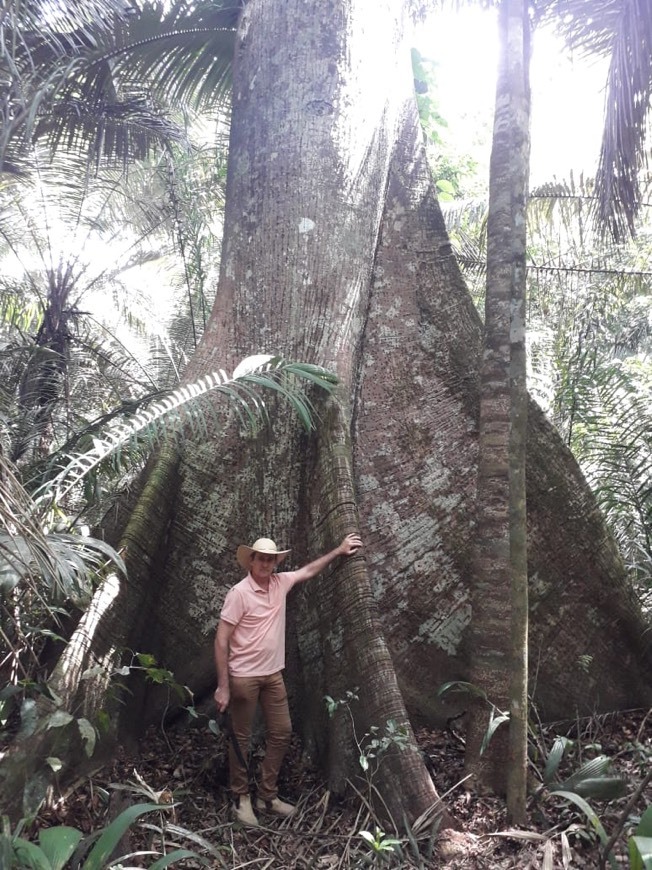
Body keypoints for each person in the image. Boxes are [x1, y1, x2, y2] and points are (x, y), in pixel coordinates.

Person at [214, 532, 363, 827]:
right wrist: (222, 685)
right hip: (244, 676)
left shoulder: (280, 583)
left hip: (273, 675)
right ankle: (240, 797)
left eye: (271, 559)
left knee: (282, 732)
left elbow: (307, 570)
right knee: (241, 738)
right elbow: (221, 640)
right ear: (251, 561)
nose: (266, 564)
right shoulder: (239, 593)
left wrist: (339, 550)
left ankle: (266, 795)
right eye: (261, 559)